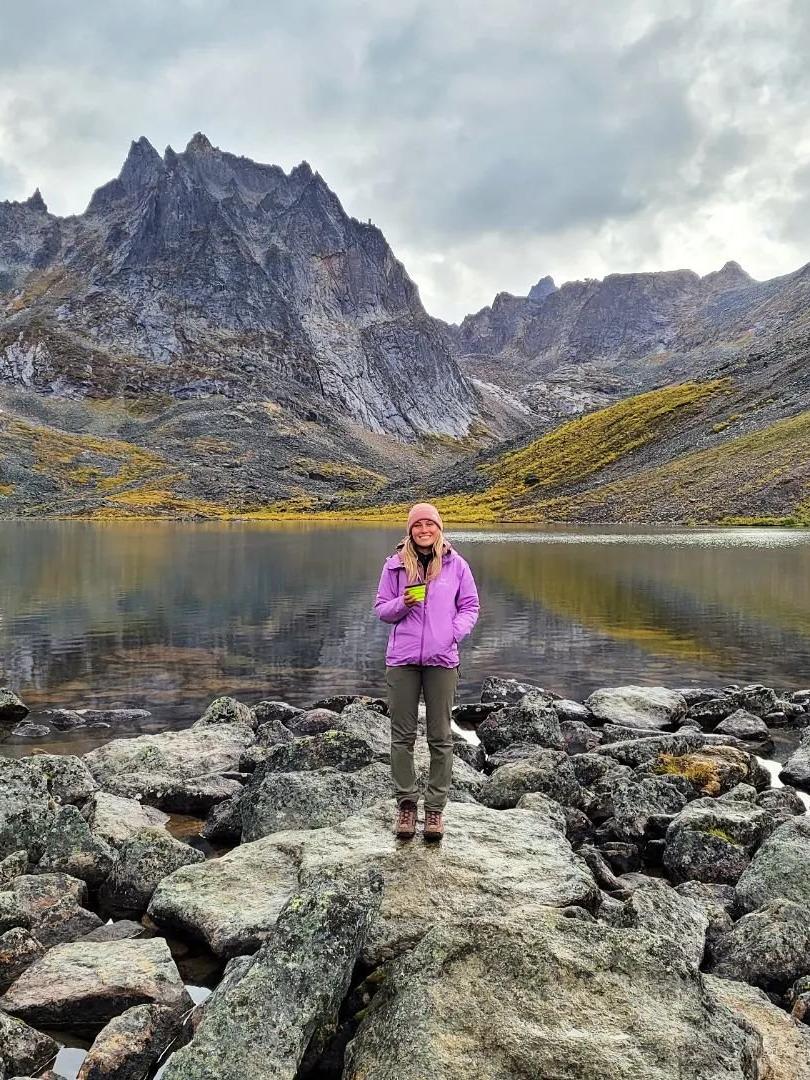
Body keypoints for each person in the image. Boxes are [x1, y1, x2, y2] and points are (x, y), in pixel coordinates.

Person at [373, 502, 480, 841]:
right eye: (418, 526)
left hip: (442, 661)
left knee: (441, 737)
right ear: (410, 530)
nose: (424, 530)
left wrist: (452, 633)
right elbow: (381, 610)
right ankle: (406, 805)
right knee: (401, 737)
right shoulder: (394, 566)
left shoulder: (456, 564)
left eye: (429, 525)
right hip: (402, 661)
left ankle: (435, 810)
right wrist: (402, 603)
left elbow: (470, 606)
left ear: (439, 528)